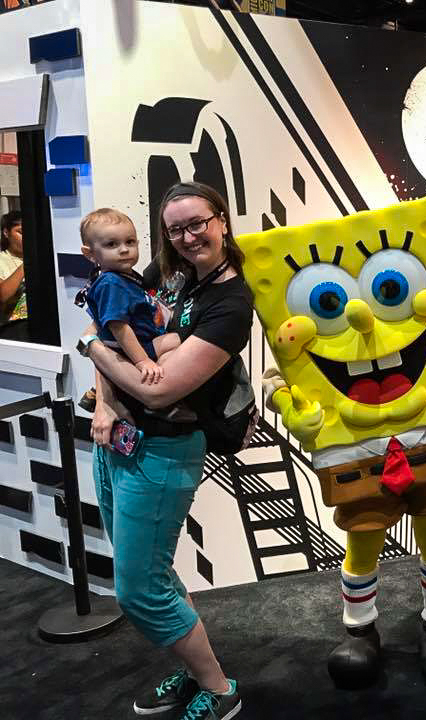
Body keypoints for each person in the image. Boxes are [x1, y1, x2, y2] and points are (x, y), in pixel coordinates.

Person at [78, 182, 251, 720]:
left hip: (166, 450)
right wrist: (106, 403)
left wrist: (88, 348)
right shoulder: (161, 276)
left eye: (197, 222)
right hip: (119, 443)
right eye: (176, 228)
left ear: (220, 219)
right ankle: (195, 666)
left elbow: (157, 388)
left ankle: (220, 689)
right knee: (157, 573)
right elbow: (104, 327)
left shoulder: (231, 301)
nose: (188, 236)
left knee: (137, 590)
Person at [75, 208, 182, 411]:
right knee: (180, 339)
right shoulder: (111, 283)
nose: (124, 249)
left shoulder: (126, 276)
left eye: (130, 242)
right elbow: (119, 327)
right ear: (89, 253)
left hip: (141, 340)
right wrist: (142, 361)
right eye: (111, 244)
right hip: (134, 346)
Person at [0, 210, 28, 341]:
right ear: (6, 233)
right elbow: (3, 295)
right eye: (21, 232)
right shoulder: (2, 260)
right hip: (13, 326)